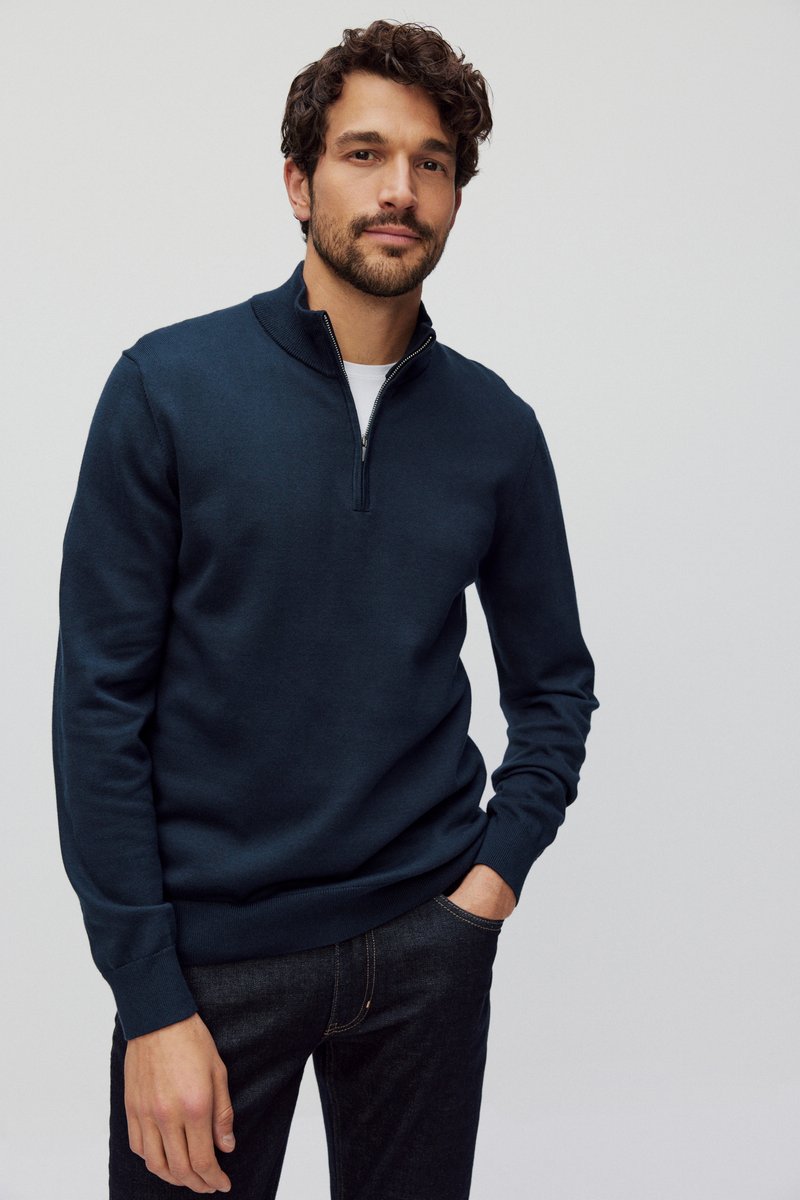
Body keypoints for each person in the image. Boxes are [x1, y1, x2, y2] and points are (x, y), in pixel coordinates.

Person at [52, 18, 599, 1199]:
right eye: (363, 154)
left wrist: (485, 892)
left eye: (430, 162)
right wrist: (148, 998)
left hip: (424, 946)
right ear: (298, 183)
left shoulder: (494, 430)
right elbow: (97, 710)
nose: (399, 188)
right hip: (211, 969)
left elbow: (554, 686)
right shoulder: (166, 390)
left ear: (454, 198)